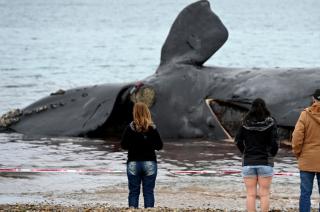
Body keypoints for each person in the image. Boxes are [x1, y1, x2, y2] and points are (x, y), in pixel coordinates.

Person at [235, 98, 279, 212]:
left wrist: (245, 152)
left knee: (250, 194)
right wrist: (271, 155)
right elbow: (275, 143)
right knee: (264, 194)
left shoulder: (245, 122)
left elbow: (238, 141)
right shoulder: (271, 122)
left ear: (252, 108)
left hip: (248, 162)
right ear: (265, 107)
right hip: (265, 162)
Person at [121, 102, 163, 208]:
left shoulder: (129, 128)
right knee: (148, 192)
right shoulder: (152, 128)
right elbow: (159, 146)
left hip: (133, 162)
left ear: (134, 113)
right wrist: (149, 143)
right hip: (150, 162)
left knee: (133, 192)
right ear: (147, 112)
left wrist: (134, 144)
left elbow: (123, 145)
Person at [292, 89, 320, 212]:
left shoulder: (305, 114)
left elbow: (297, 137)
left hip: (307, 160)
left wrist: (298, 153)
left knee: (305, 193)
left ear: (314, 99)